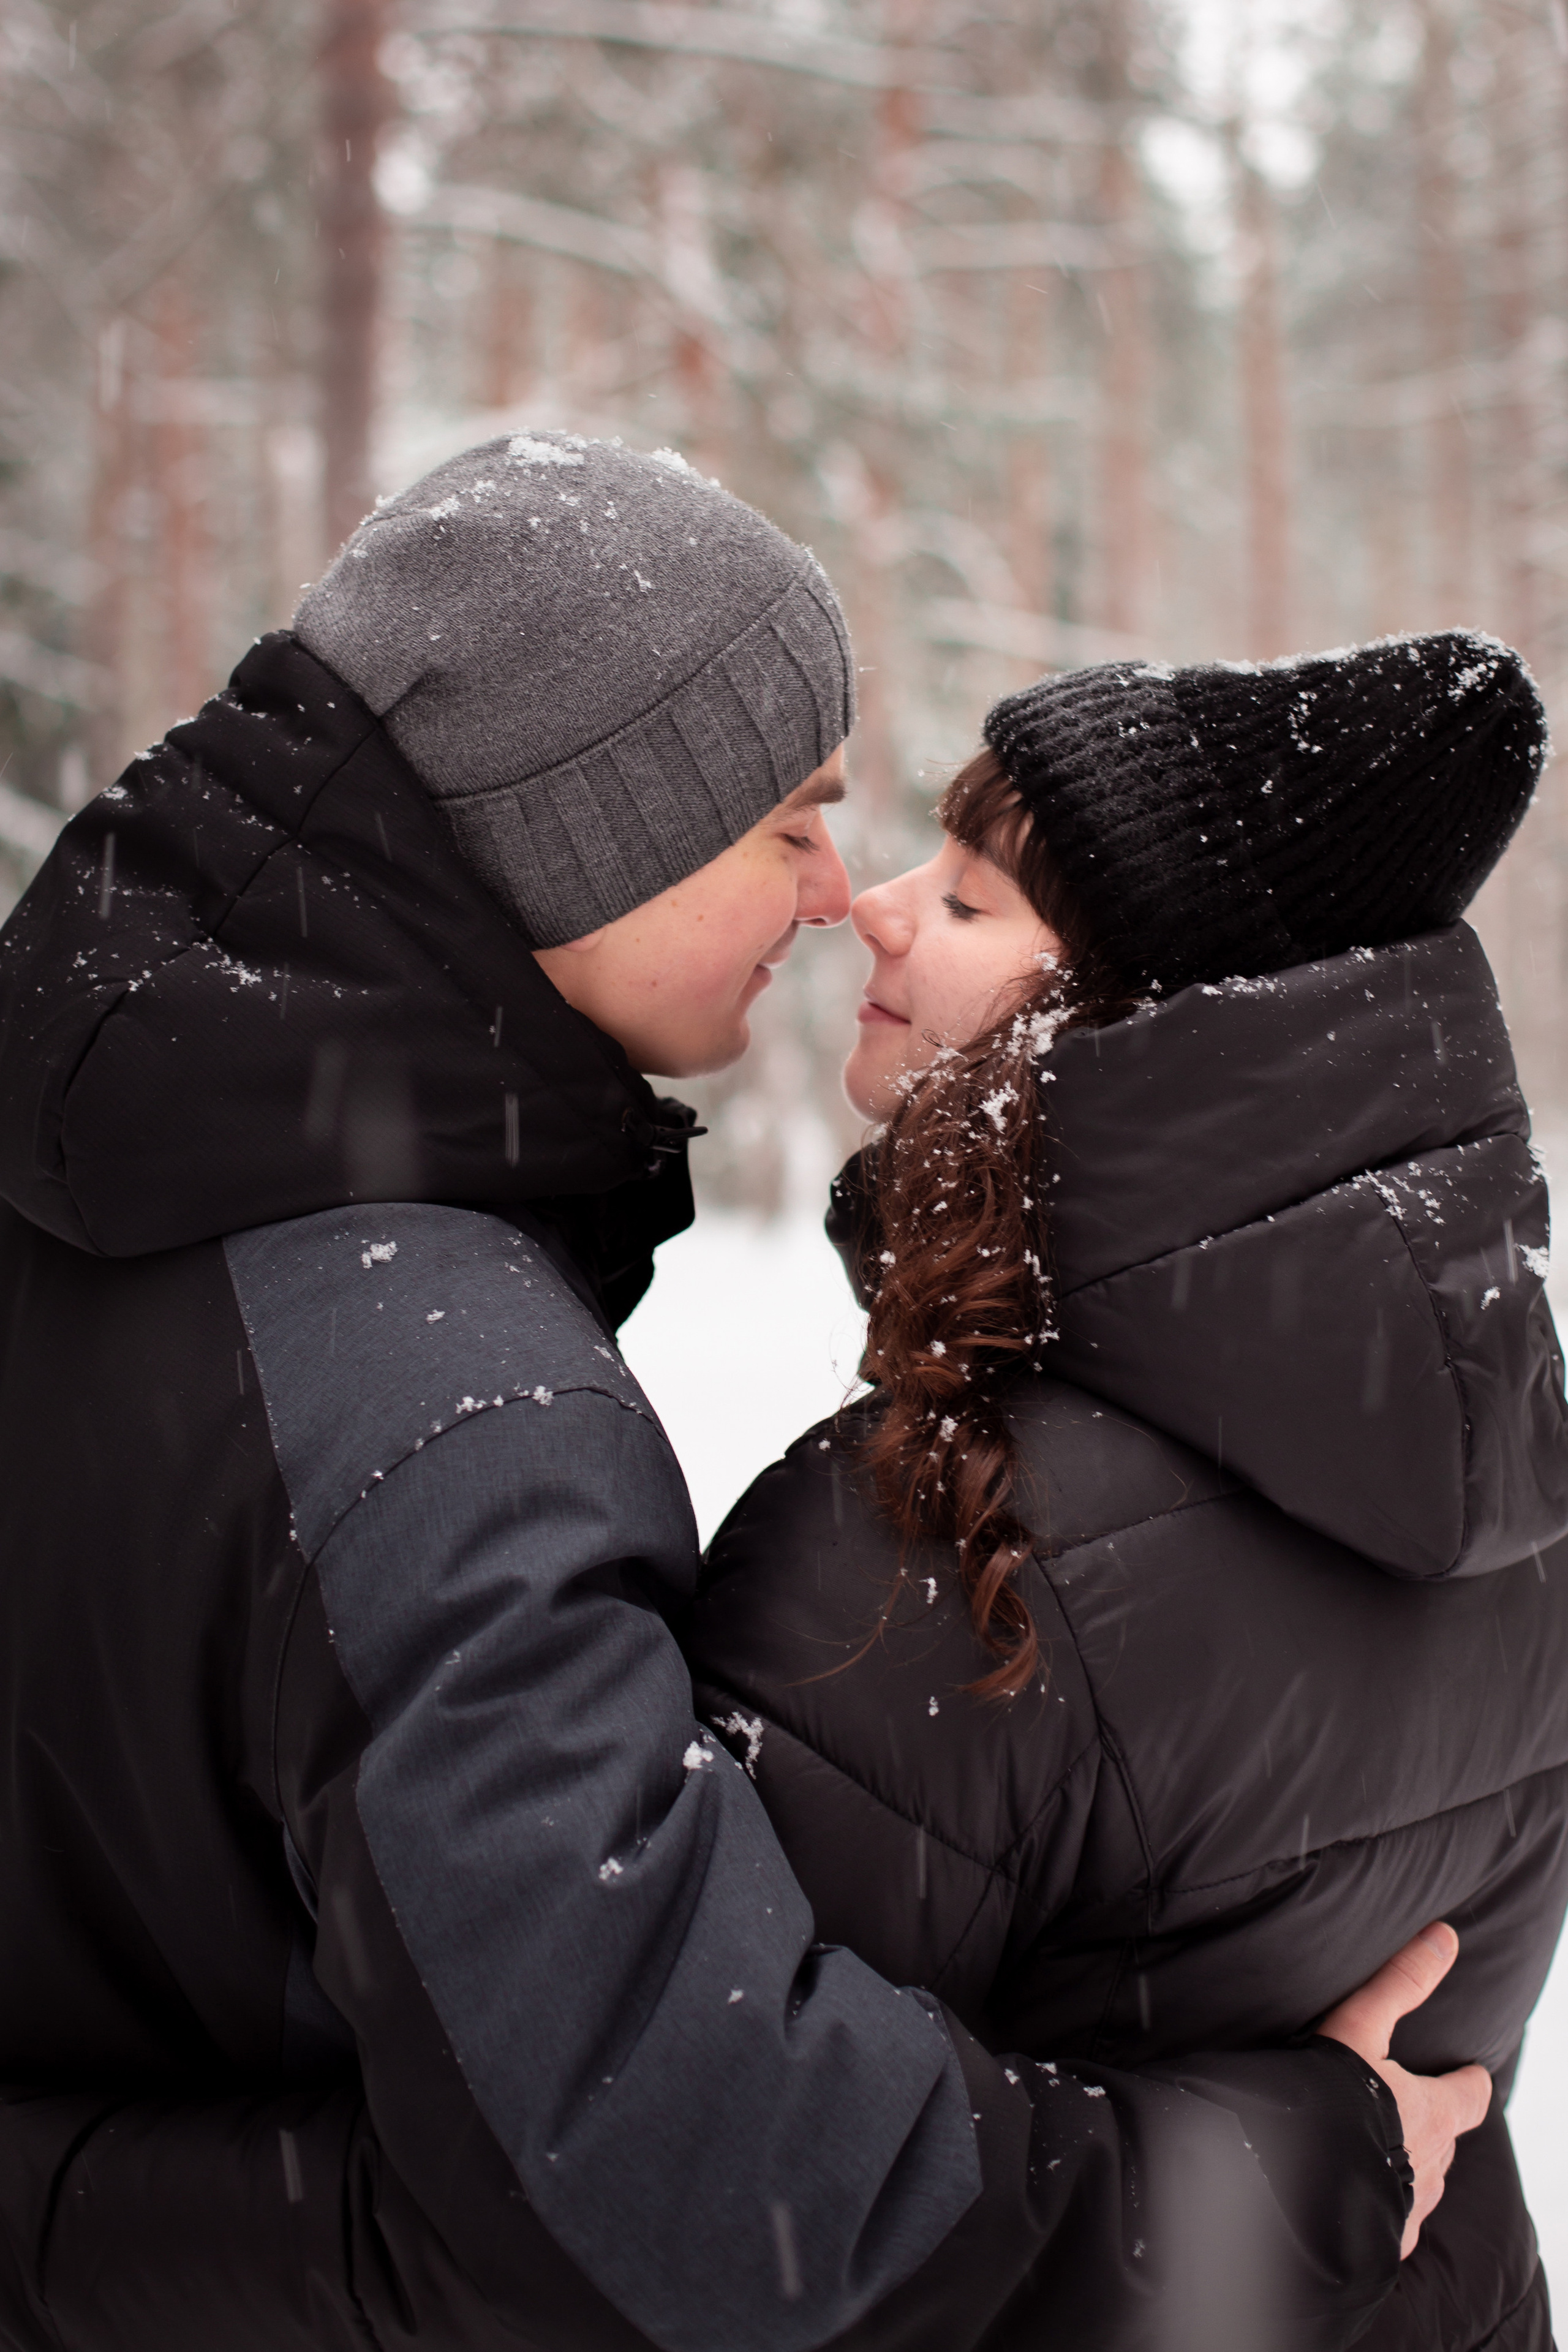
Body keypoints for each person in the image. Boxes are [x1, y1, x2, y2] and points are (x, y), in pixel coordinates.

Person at [0, 439, 1478, 2352]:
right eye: (788, 821)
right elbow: (688, 2190)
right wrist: (1274, 2178)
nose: (825, 898)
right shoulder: (431, 1387)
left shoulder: (106, 1180)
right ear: (585, 829)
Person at [688, 632, 1568, 2352]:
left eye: (964, 902)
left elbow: (733, 2203)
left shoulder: (929, 1547)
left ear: (1115, 1018)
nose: (871, 910)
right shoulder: (1517, 1483)